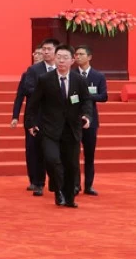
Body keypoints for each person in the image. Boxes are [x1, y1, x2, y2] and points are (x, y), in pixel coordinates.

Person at [27, 44, 93, 209]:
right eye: (59, 57)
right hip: (50, 129)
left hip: (72, 129)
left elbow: (86, 101)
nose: (61, 61)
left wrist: (86, 116)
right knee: (52, 160)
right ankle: (58, 191)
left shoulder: (79, 80)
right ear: (55, 59)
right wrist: (31, 123)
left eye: (65, 58)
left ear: (72, 60)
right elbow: (33, 104)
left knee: (71, 164)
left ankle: (69, 197)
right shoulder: (45, 80)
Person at [12, 38, 58, 196]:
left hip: (56, 117)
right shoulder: (33, 70)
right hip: (38, 116)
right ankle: (38, 182)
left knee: (54, 152)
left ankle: (55, 180)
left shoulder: (61, 69)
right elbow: (29, 89)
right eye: (43, 49)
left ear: (56, 51)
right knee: (36, 151)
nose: (45, 52)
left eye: (48, 49)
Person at [73, 46, 106, 197]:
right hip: (73, 119)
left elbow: (103, 96)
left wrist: (86, 96)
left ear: (89, 57)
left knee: (89, 154)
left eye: (81, 54)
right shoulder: (71, 75)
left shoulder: (98, 76)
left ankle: (89, 185)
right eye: (76, 54)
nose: (78, 57)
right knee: (73, 154)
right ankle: (75, 185)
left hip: (91, 120)